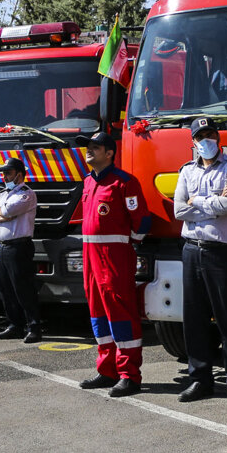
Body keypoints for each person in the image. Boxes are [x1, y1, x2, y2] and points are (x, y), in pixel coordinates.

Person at [173, 117, 227, 405]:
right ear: (192, 142)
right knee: (193, 318)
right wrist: (213, 202)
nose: (207, 140)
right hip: (192, 249)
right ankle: (200, 379)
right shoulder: (186, 171)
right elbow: (179, 210)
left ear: (218, 138)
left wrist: (198, 203)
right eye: (201, 136)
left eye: (211, 135)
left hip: (223, 251)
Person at [74, 131, 152, 397]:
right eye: (88, 147)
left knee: (120, 312)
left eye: (94, 147)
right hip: (90, 256)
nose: (89, 151)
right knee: (97, 312)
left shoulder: (124, 183)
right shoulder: (87, 182)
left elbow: (141, 221)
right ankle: (107, 370)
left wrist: (126, 245)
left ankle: (129, 375)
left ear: (109, 153)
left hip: (114, 256)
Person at [0, 157, 42, 342]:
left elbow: (7, 212)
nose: (4, 176)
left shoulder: (26, 194)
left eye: (7, 172)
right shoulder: (2, 195)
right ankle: (14, 325)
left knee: (23, 289)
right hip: (1, 247)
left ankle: (34, 327)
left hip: (19, 247)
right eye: (3, 173)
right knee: (6, 288)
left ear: (19, 174)